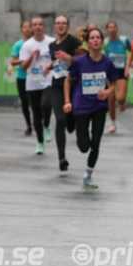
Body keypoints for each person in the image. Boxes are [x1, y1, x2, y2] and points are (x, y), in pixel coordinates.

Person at [65, 27, 121, 189]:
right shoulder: (79, 62)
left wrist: (107, 91)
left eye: (98, 38)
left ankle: (88, 175)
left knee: (96, 142)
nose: (95, 40)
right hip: (81, 106)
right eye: (92, 38)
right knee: (84, 146)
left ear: (102, 42)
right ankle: (77, 132)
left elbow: (114, 83)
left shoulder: (107, 62)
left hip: (99, 107)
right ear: (88, 42)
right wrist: (68, 101)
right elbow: (68, 81)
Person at [47, 15, 82, 172]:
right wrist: (49, 66)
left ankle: (71, 122)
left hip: (73, 85)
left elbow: (82, 60)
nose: (60, 26)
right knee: (59, 119)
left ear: (67, 26)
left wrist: (69, 57)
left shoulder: (74, 42)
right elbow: (57, 63)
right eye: (58, 23)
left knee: (70, 123)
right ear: (54, 26)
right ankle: (61, 158)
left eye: (63, 23)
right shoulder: (52, 45)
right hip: (56, 85)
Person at [19, 16, 54, 156]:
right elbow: (23, 66)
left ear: (43, 27)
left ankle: (46, 125)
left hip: (48, 80)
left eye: (40, 24)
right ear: (32, 28)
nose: (38, 27)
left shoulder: (51, 42)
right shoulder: (27, 45)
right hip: (33, 83)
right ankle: (40, 142)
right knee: (36, 114)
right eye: (35, 25)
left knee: (46, 105)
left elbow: (57, 60)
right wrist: (32, 56)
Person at [103, 21, 130, 134]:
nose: (112, 29)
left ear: (117, 29)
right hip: (109, 73)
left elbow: (131, 52)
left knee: (120, 98)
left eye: (114, 27)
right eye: (109, 27)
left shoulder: (124, 40)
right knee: (111, 100)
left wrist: (127, 67)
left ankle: (123, 102)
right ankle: (113, 123)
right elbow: (103, 56)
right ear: (107, 30)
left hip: (121, 71)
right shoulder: (105, 42)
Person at [8, 20, 34, 136]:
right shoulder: (18, 45)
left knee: (37, 102)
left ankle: (39, 121)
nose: (27, 29)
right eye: (24, 27)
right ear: (22, 30)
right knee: (25, 103)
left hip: (35, 77)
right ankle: (29, 125)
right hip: (22, 78)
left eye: (29, 27)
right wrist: (23, 60)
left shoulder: (36, 43)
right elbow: (12, 61)